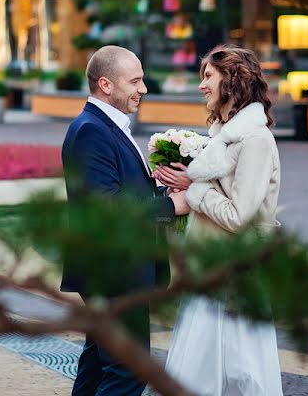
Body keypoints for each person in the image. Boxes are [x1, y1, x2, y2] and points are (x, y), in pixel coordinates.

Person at [153, 44, 284, 396]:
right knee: (196, 370)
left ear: (233, 80)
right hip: (209, 268)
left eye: (208, 76)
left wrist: (192, 191)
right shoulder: (219, 139)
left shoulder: (255, 140)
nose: (201, 85)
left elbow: (240, 216)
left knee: (245, 373)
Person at [61, 45, 190, 396]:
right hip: (113, 268)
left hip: (113, 266)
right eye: (135, 81)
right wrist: (172, 207)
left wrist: (163, 194)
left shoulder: (106, 126)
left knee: (96, 364)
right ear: (106, 84)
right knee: (128, 371)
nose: (143, 89)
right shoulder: (92, 130)